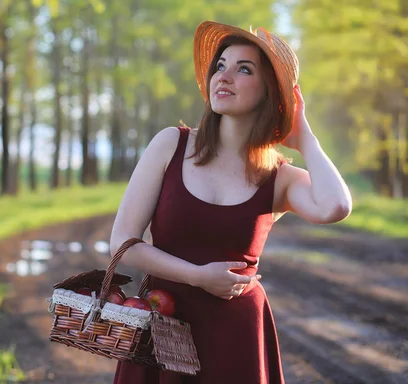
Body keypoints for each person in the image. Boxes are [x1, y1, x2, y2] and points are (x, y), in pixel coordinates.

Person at [109, 21, 352, 383]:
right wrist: (198, 277)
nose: (225, 76)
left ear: (270, 91)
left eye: (244, 69)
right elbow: (123, 243)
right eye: (221, 65)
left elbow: (336, 206)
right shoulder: (171, 145)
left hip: (237, 335)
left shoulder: (279, 177)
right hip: (162, 326)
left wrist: (306, 139)